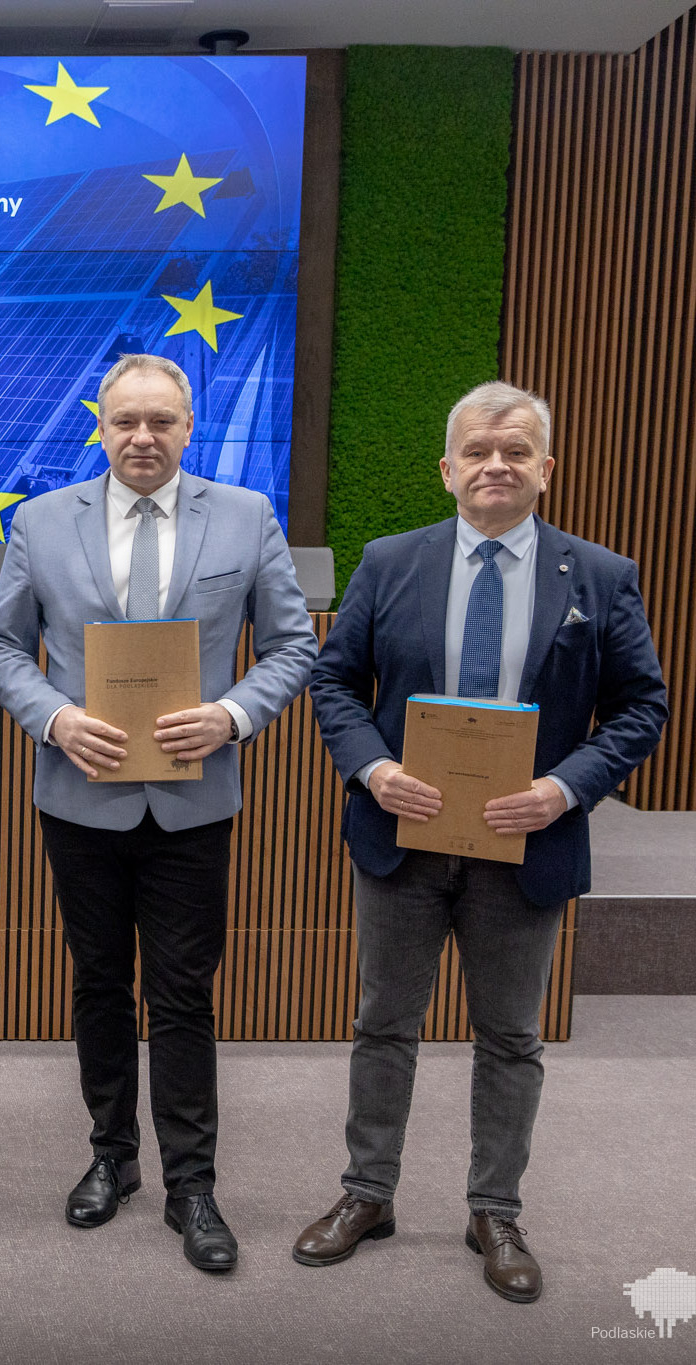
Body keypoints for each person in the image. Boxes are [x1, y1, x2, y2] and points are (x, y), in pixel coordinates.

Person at [292, 381, 666, 1302]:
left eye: (515, 451)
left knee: (508, 1036)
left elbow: (641, 706)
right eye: (477, 450)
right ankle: (366, 1193)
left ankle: (494, 1208)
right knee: (383, 1024)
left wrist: (563, 788)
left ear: (545, 468)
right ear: (447, 468)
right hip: (402, 838)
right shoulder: (389, 562)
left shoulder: (601, 576)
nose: (495, 465)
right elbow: (334, 684)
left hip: (526, 845)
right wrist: (373, 771)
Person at [0, 353, 316, 1272]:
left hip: (192, 801)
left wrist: (231, 714)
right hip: (79, 796)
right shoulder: (40, 521)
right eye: (124, 421)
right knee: (96, 982)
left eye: (160, 421)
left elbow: (291, 645)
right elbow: (0, 647)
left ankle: (192, 1186)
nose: (141, 437)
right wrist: (51, 717)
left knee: (181, 992)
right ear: (100, 425)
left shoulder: (247, 517)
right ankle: (110, 1157)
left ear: (187, 425)